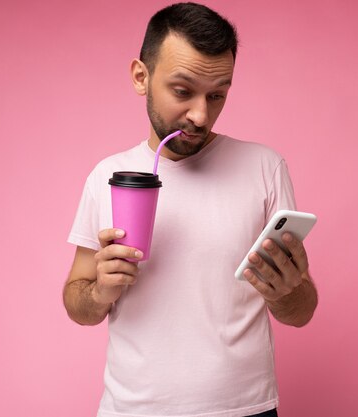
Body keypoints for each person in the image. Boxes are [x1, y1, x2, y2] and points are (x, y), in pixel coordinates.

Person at [63, 3, 318, 417]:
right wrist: (100, 291)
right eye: (183, 91)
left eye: (217, 94)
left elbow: (302, 311)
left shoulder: (265, 168)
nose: (200, 115)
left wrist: (289, 291)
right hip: (133, 410)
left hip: (245, 409)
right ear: (141, 77)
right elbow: (77, 302)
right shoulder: (107, 176)